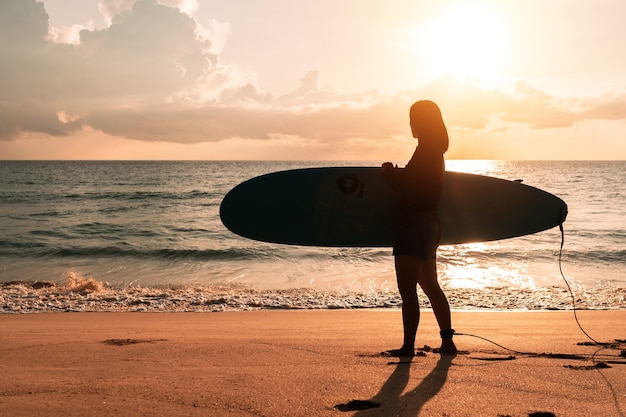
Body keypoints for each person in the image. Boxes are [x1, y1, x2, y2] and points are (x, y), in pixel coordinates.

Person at [381, 100, 457, 356]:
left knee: (408, 289)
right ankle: (447, 341)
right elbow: (421, 183)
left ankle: (408, 347)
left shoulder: (425, 151)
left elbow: (410, 186)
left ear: (421, 123)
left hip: (413, 223)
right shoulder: (436, 152)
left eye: (413, 119)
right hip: (430, 224)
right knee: (430, 285)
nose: (410, 124)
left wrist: (390, 174)